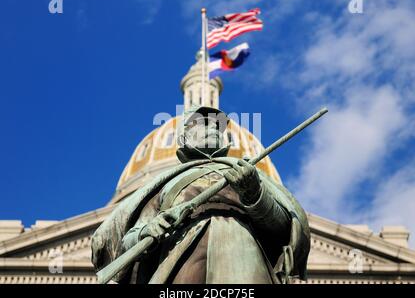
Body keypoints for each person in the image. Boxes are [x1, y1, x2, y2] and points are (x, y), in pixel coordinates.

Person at [91, 106, 310, 284]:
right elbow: (126, 241)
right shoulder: (168, 183)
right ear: (184, 138)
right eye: (203, 124)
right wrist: (149, 230)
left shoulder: (246, 172)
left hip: (244, 261)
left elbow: (285, 230)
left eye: (217, 125)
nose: (213, 127)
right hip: (180, 260)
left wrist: (255, 196)